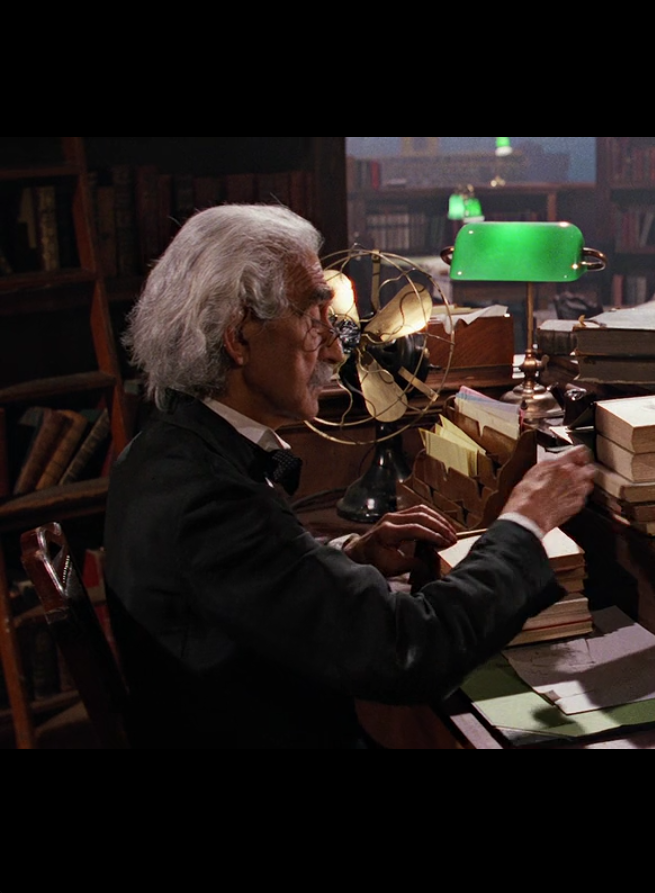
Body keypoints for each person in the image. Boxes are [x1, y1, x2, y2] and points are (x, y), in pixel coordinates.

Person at [104, 203, 595, 748]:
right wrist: (525, 521)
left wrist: (349, 556)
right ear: (238, 339)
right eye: (312, 322)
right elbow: (411, 649)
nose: (336, 350)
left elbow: (253, 589)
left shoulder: (166, 448)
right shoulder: (209, 502)